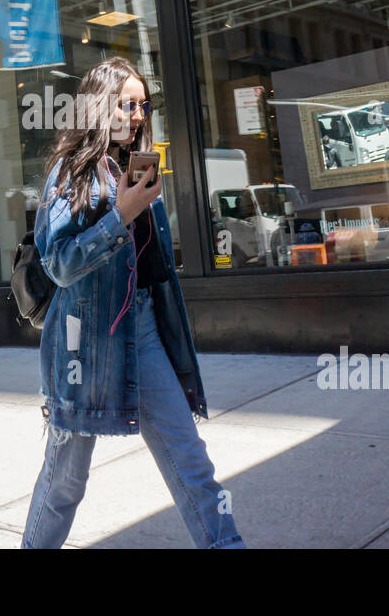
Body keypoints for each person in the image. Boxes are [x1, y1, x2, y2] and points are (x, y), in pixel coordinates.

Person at [23, 56, 244, 549]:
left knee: (191, 461)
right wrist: (120, 215)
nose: (139, 114)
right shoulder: (71, 171)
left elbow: (155, 269)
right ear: (100, 106)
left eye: (144, 104)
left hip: (142, 329)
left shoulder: (139, 171)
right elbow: (59, 263)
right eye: (127, 104)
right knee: (66, 481)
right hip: (86, 340)